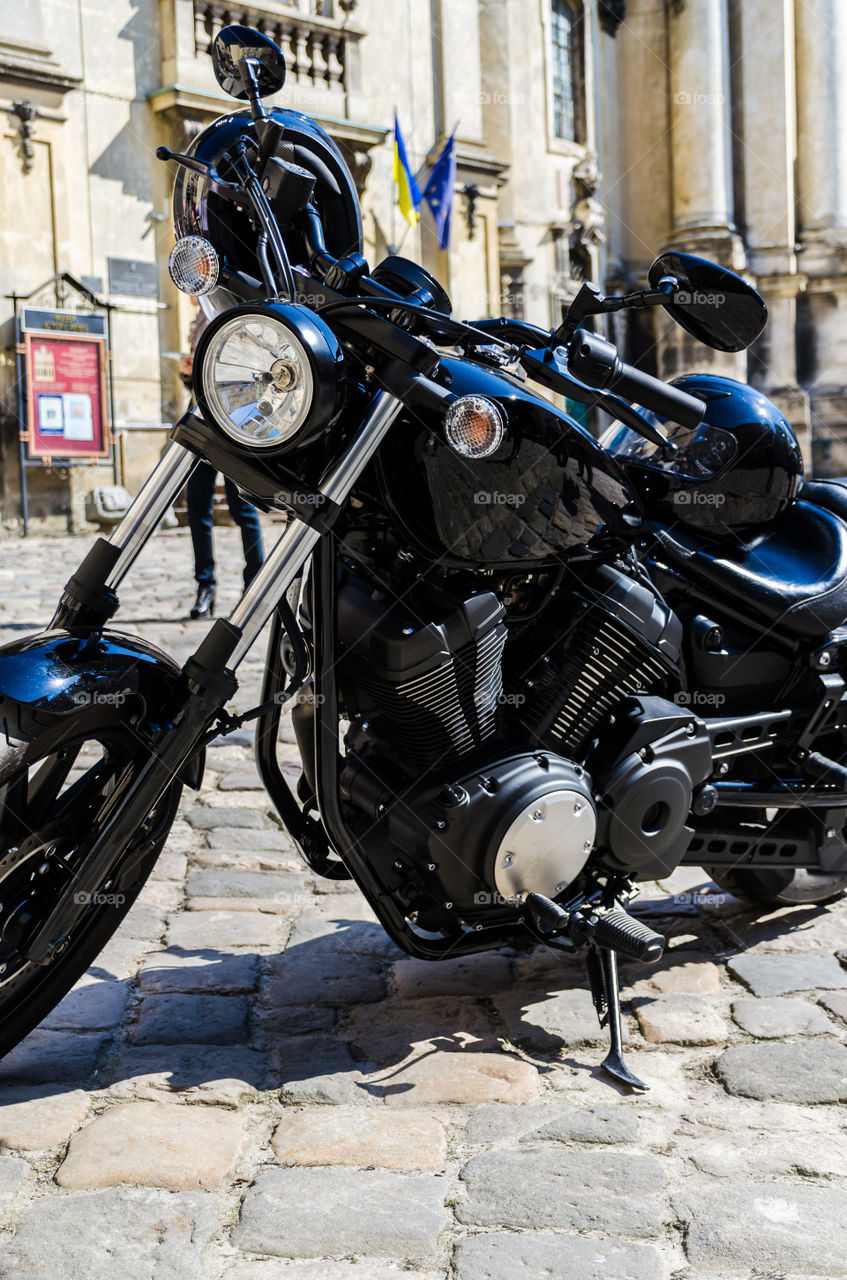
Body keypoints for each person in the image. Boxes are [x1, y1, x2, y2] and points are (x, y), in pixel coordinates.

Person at [179, 305, 265, 619]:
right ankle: (206, 587)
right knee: (198, 509)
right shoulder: (197, 320)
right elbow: (197, 387)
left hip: (235, 422)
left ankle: (255, 584)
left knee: (243, 506)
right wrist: (187, 375)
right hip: (202, 422)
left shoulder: (232, 307)